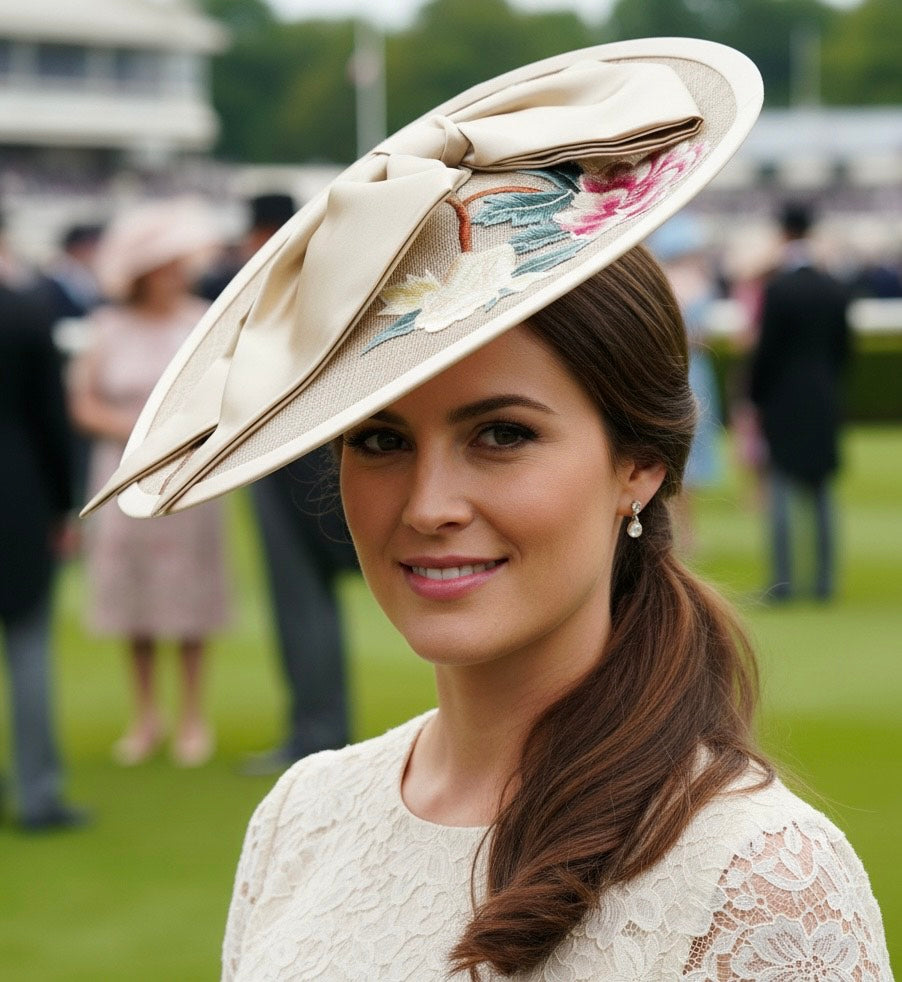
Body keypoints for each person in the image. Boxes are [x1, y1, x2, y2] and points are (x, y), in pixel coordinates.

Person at [82, 41, 890, 979]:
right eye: (379, 439)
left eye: (502, 435)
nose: (427, 506)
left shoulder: (759, 879)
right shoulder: (299, 818)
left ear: (640, 463)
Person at [69, 198, 230, 767]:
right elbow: (83, 403)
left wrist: (177, 441)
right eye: (164, 264)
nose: (175, 273)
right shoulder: (106, 327)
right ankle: (145, 715)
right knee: (133, 596)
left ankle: (191, 715)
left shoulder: (201, 321)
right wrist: (133, 435)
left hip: (184, 477)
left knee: (188, 594)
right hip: (122, 475)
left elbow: (221, 398)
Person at [199, 193, 357, 775]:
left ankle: (317, 734)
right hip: (302, 454)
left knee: (301, 600)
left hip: (293, 457)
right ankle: (317, 731)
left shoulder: (286, 287)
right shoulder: (324, 275)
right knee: (302, 603)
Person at [0, 224, 87, 831]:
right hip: (19, 494)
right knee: (28, 647)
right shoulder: (26, 310)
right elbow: (53, 421)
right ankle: (38, 794)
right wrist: (64, 505)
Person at [749, 202, 852, 601]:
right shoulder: (834, 287)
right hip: (824, 397)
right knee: (822, 491)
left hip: (783, 399)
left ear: (783, 234)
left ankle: (783, 584)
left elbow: (766, 352)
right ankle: (825, 584)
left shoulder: (777, 289)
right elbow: (844, 350)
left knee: (780, 490)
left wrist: (756, 396)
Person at [649, 214, 723, 556]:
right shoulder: (687, 282)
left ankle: (681, 531)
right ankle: (682, 532)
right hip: (686, 371)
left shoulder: (670, 280)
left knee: (683, 452)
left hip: (685, 369)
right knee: (683, 453)